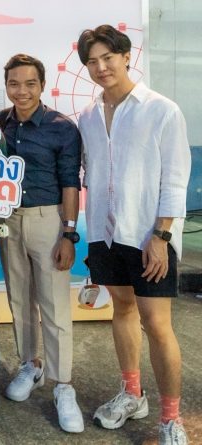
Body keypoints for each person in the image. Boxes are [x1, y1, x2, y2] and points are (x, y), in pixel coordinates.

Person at [77, 25, 191, 445]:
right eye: (92, 61)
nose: (101, 67)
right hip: (106, 234)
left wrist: (161, 235)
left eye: (108, 57)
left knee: (157, 324)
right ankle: (132, 394)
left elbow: (175, 179)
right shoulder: (87, 116)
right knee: (122, 309)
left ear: (126, 56)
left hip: (148, 235)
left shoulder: (162, 110)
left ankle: (171, 419)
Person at [0, 54, 84, 433]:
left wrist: (69, 234)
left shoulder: (62, 128)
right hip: (8, 220)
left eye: (30, 83)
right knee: (19, 298)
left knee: (55, 305)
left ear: (42, 86)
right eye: (14, 83)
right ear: (6, 85)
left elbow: (70, 183)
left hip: (49, 219)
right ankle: (30, 365)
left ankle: (63, 385)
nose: (22, 91)